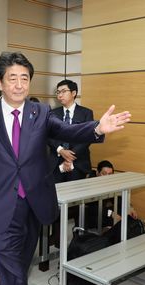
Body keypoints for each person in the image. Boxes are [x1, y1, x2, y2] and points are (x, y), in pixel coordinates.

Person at [0, 51, 131, 285]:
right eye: (12, 78)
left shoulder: (40, 112)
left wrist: (97, 128)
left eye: (24, 78)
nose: (19, 84)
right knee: (13, 278)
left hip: (32, 205)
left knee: (16, 272)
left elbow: (67, 130)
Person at [48, 79, 95, 246]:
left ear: (74, 93)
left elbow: (88, 136)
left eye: (63, 91)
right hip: (56, 163)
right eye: (57, 92)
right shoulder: (53, 113)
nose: (59, 94)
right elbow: (49, 136)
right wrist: (61, 150)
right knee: (54, 201)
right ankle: (55, 236)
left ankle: (78, 240)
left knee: (77, 203)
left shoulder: (86, 113)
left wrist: (70, 156)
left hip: (78, 162)